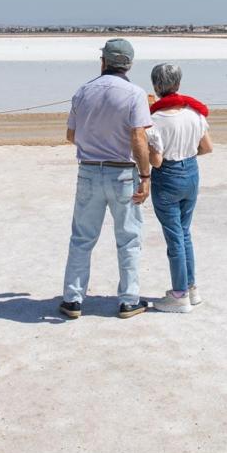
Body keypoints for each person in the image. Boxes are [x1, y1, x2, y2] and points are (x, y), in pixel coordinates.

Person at [60, 38, 152, 320]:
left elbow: (71, 136)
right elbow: (138, 137)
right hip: (122, 173)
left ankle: (73, 300)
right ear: (129, 64)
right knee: (128, 239)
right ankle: (128, 300)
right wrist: (146, 174)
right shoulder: (135, 94)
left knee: (82, 238)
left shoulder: (83, 91)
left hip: (88, 170)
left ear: (103, 62)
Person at [147, 63, 213, 313]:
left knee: (174, 236)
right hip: (191, 171)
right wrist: (187, 154)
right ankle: (191, 286)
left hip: (168, 176)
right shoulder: (195, 113)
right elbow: (207, 147)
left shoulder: (154, 119)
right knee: (184, 232)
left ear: (156, 86)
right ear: (178, 84)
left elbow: (156, 160)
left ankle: (179, 293)